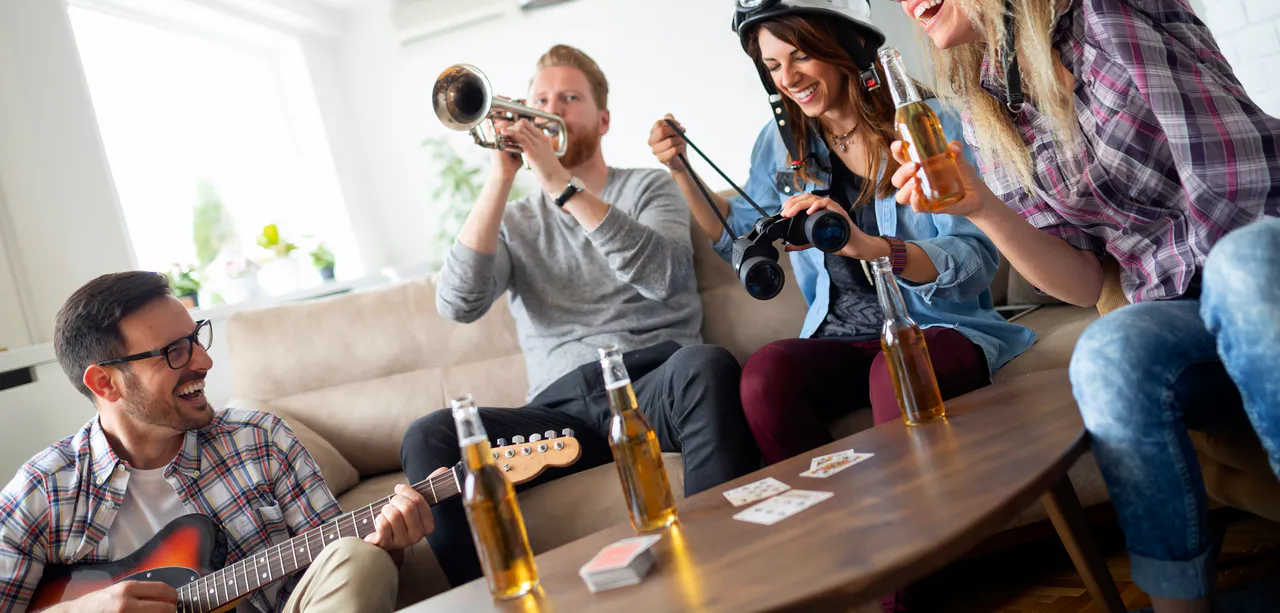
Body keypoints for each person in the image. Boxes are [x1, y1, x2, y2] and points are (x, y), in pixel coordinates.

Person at [853, 0, 1280, 612]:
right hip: (1178, 307)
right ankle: (1179, 603)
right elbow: (1083, 280)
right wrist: (975, 205)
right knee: (1107, 348)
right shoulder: (987, 112)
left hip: (1265, 255)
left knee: (1244, 267)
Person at [648, 0, 1034, 468]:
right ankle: (836, 526)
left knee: (894, 370)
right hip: (840, 337)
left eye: (801, 55)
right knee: (765, 375)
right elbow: (736, 232)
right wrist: (680, 170)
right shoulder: (782, 144)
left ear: (846, 45)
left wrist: (867, 247)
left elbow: (974, 262)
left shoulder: (929, 125)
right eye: (773, 66)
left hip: (939, 330)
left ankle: (931, 528)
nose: (787, 78)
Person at [401, 44, 759, 589]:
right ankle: (494, 598)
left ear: (603, 119)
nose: (553, 109)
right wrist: (500, 179)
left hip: (650, 385)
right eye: (541, 99)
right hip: (559, 408)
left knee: (709, 366)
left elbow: (661, 277)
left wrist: (558, 183)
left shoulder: (648, 186)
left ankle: (724, 577)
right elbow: (458, 303)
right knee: (428, 436)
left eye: (569, 98)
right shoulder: (517, 218)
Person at [0, 271, 432, 613]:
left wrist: (387, 549)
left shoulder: (262, 441)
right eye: (175, 352)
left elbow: (336, 573)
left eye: (196, 338)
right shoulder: (44, 489)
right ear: (105, 383)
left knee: (360, 561)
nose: (204, 362)